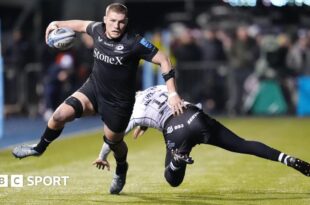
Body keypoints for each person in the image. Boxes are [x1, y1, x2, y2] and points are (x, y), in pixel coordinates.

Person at [12, 3, 184, 195]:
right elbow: (79, 24)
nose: (116, 26)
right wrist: (56, 23)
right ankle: (39, 148)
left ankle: (121, 167)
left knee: (114, 144)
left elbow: (164, 60)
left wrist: (173, 93)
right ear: (105, 20)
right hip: (93, 90)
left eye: (120, 22)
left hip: (119, 104)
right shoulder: (97, 30)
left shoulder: (134, 42)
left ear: (126, 22)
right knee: (60, 115)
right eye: (112, 21)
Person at [93, 85, 310, 190]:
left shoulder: (132, 111)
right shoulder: (156, 88)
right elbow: (162, 103)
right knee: (242, 144)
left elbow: (113, 137)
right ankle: (286, 159)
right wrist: (145, 125)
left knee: (172, 179)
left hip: (176, 129)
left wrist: (103, 155)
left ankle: (178, 160)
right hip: (195, 116)